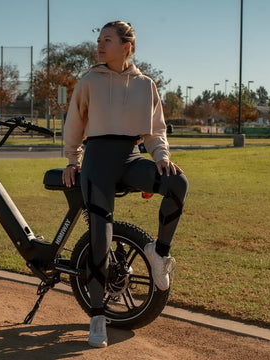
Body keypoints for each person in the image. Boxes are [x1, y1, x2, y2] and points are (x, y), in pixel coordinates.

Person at [62, 20, 188, 348]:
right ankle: (98, 316)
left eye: (108, 40)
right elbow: (74, 122)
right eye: (99, 39)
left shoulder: (145, 84)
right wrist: (72, 159)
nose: (100, 45)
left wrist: (161, 155)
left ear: (126, 46)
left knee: (177, 182)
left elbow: (155, 129)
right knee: (100, 241)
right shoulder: (89, 80)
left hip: (130, 158)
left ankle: (158, 254)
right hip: (96, 163)